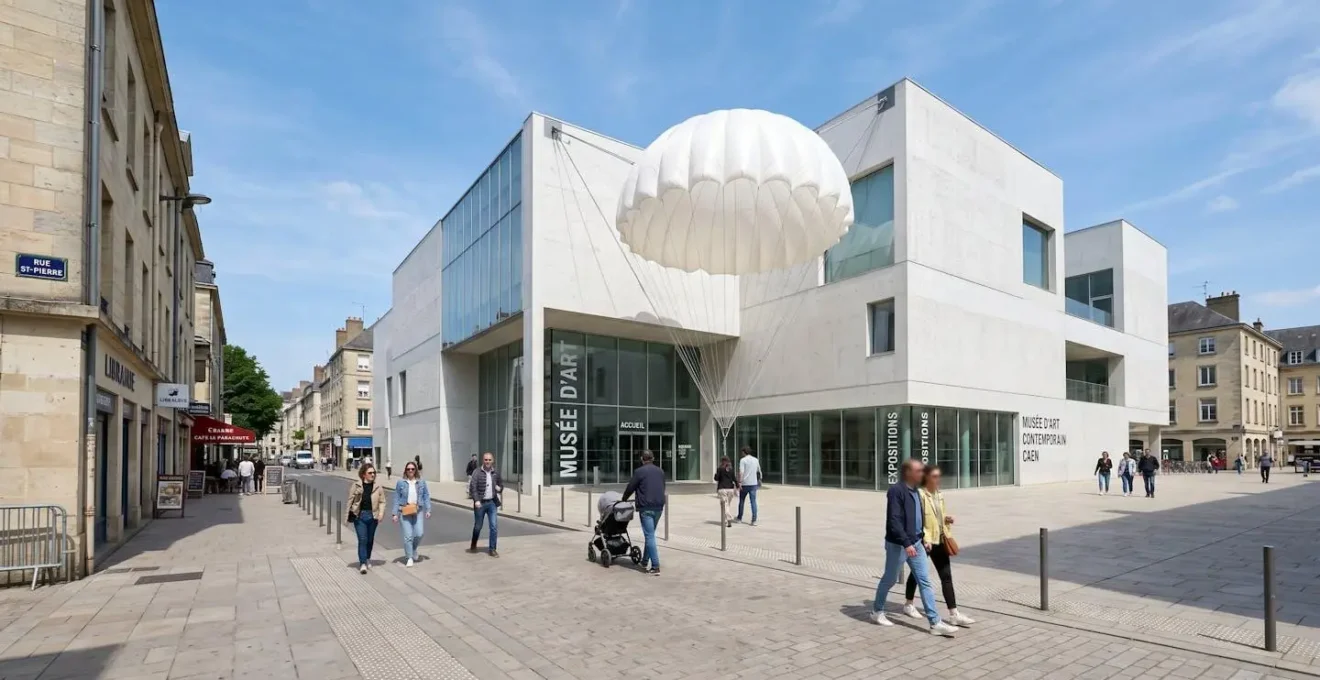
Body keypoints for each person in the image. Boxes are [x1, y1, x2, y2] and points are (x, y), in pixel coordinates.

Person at [870, 459, 958, 637]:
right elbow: (894, 521)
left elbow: (920, 518)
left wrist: (923, 537)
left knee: (924, 581)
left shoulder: (917, 492)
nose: (922, 474)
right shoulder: (896, 491)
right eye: (919, 471)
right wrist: (906, 543)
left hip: (917, 543)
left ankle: (935, 623)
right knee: (890, 579)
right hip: (899, 545)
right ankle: (877, 611)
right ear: (909, 473)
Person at [902, 465, 975, 627]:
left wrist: (947, 519)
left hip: (940, 539)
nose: (938, 479)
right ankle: (908, 604)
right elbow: (917, 519)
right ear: (926, 478)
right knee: (916, 574)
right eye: (934, 476)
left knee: (946, 577)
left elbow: (938, 516)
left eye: (938, 476)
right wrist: (923, 539)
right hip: (925, 541)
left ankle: (954, 613)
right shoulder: (919, 495)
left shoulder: (939, 495)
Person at [622, 450, 666, 575]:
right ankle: (644, 561)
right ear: (653, 458)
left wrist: (624, 499)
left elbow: (631, 487)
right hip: (658, 506)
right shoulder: (660, 471)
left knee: (649, 536)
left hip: (646, 507)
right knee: (650, 535)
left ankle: (655, 566)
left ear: (642, 459)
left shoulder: (639, 472)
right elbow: (663, 486)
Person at [346, 464, 387, 574]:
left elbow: (382, 501)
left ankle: (367, 557)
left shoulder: (378, 487)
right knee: (362, 539)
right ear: (364, 474)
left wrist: (381, 513)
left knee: (370, 539)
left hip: (373, 516)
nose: (372, 474)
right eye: (370, 473)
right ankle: (363, 563)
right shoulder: (356, 485)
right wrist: (347, 517)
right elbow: (350, 501)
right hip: (359, 516)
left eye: (374, 472)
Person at [392, 460, 431, 567]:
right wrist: (395, 513)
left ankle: (413, 549)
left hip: (417, 510)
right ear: (405, 470)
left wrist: (428, 509)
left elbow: (426, 496)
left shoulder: (421, 482)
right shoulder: (401, 482)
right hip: (404, 510)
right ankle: (409, 557)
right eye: (408, 469)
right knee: (408, 536)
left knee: (419, 533)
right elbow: (396, 498)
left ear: (416, 470)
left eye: (412, 469)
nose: (410, 471)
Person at [467, 452, 502, 557]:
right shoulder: (477, 472)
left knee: (494, 526)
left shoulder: (495, 473)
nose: (487, 462)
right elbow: (473, 487)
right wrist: (476, 500)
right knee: (478, 526)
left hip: (492, 502)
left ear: (492, 461)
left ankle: (492, 549)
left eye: (489, 460)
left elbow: (501, 484)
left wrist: (499, 488)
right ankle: (474, 543)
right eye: (486, 460)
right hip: (480, 504)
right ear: (483, 460)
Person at [736, 446, 761, 526]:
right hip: (753, 483)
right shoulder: (755, 460)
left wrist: (739, 482)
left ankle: (739, 518)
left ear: (744, 452)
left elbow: (741, 472)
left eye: (742, 452)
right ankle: (754, 520)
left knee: (742, 501)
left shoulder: (743, 460)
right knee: (753, 502)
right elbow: (758, 471)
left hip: (745, 483)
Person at [713, 456, 739, 528]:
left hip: (722, 489)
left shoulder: (720, 469)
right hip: (730, 489)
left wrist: (716, 473)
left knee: (724, 505)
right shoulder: (731, 469)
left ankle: (728, 518)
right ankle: (726, 520)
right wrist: (737, 486)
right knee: (727, 505)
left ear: (722, 461)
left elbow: (716, 478)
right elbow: (734, 478)